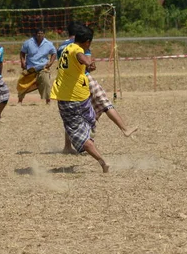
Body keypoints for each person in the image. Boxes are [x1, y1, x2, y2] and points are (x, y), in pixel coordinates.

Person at [57, 22, 137, 155]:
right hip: (84, 80)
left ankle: (67, 146)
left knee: (72, 116)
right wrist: (90, 64)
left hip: (67, 84)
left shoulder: (61, 47)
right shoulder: (80, 46)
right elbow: (86, 63)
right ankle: (124, 129)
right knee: (105, 103)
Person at [50, 25, 110, 173]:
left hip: (69, 97)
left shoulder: (67, 47)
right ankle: (88, 135)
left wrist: (87, 63)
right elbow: (81, 57)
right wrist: (89, 63)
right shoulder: (78, 50)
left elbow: (79, 58)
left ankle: (102, 162)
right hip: (80, 97)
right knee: (87, 124)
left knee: (79, 136)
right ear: (87, 42)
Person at [17, 28, 57, 105]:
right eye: (38, 33)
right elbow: (22, 53)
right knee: (23, 84)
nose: (40, 35)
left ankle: (48, 101)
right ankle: (20, 101)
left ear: (44, 34)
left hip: (43, 68)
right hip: (30, 68)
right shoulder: (28, 43)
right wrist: (22, 62)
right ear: (35, 34)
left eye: (42, 33)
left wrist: (51, 62)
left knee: (46, 82)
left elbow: (54, 53)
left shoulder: (48, 44)